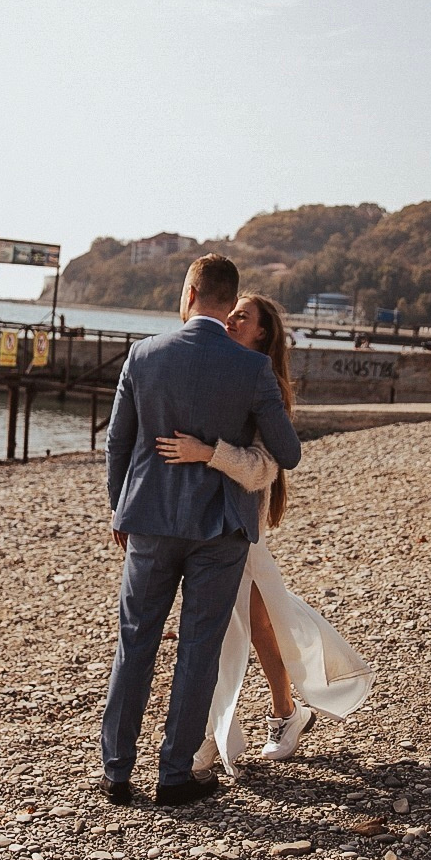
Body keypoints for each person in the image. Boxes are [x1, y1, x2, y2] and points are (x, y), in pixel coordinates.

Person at [100, 256, 301, 807]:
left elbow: (118, 443)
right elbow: (288, 453)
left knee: (134, 643)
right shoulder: (251, 369)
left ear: (189, 293)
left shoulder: (143, 356)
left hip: (150, 525)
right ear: (227, 300)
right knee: (197, 650)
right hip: (219, 531)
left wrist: (121, 509)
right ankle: (173, 776)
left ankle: (116, 772)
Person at [155, 294, 374, 772]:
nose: (230, 320)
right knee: (251, 625)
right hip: (210, 527)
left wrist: (205, 452)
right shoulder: (217, 367)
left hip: (240, 528)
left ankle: (240, 728)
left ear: (262, 334)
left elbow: (263, 469)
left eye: (242, 317)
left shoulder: (264, 383)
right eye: (229, 312)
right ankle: (266, 718)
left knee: (245, 627)